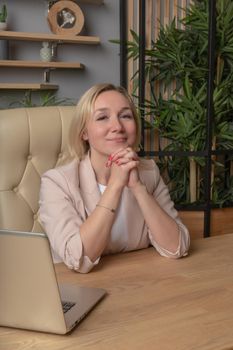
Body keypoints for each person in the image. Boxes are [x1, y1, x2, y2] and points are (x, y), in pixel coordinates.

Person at [39, 83, 190, 273]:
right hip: (81, 289)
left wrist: (138, 187)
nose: (117, 126)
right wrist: (115, 185)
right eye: (102, 117)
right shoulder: (56, 182)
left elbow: (177, 247)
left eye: (125, 116)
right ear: (84, 132)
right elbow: (78, 260)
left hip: (140, 283)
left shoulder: (149, 172)